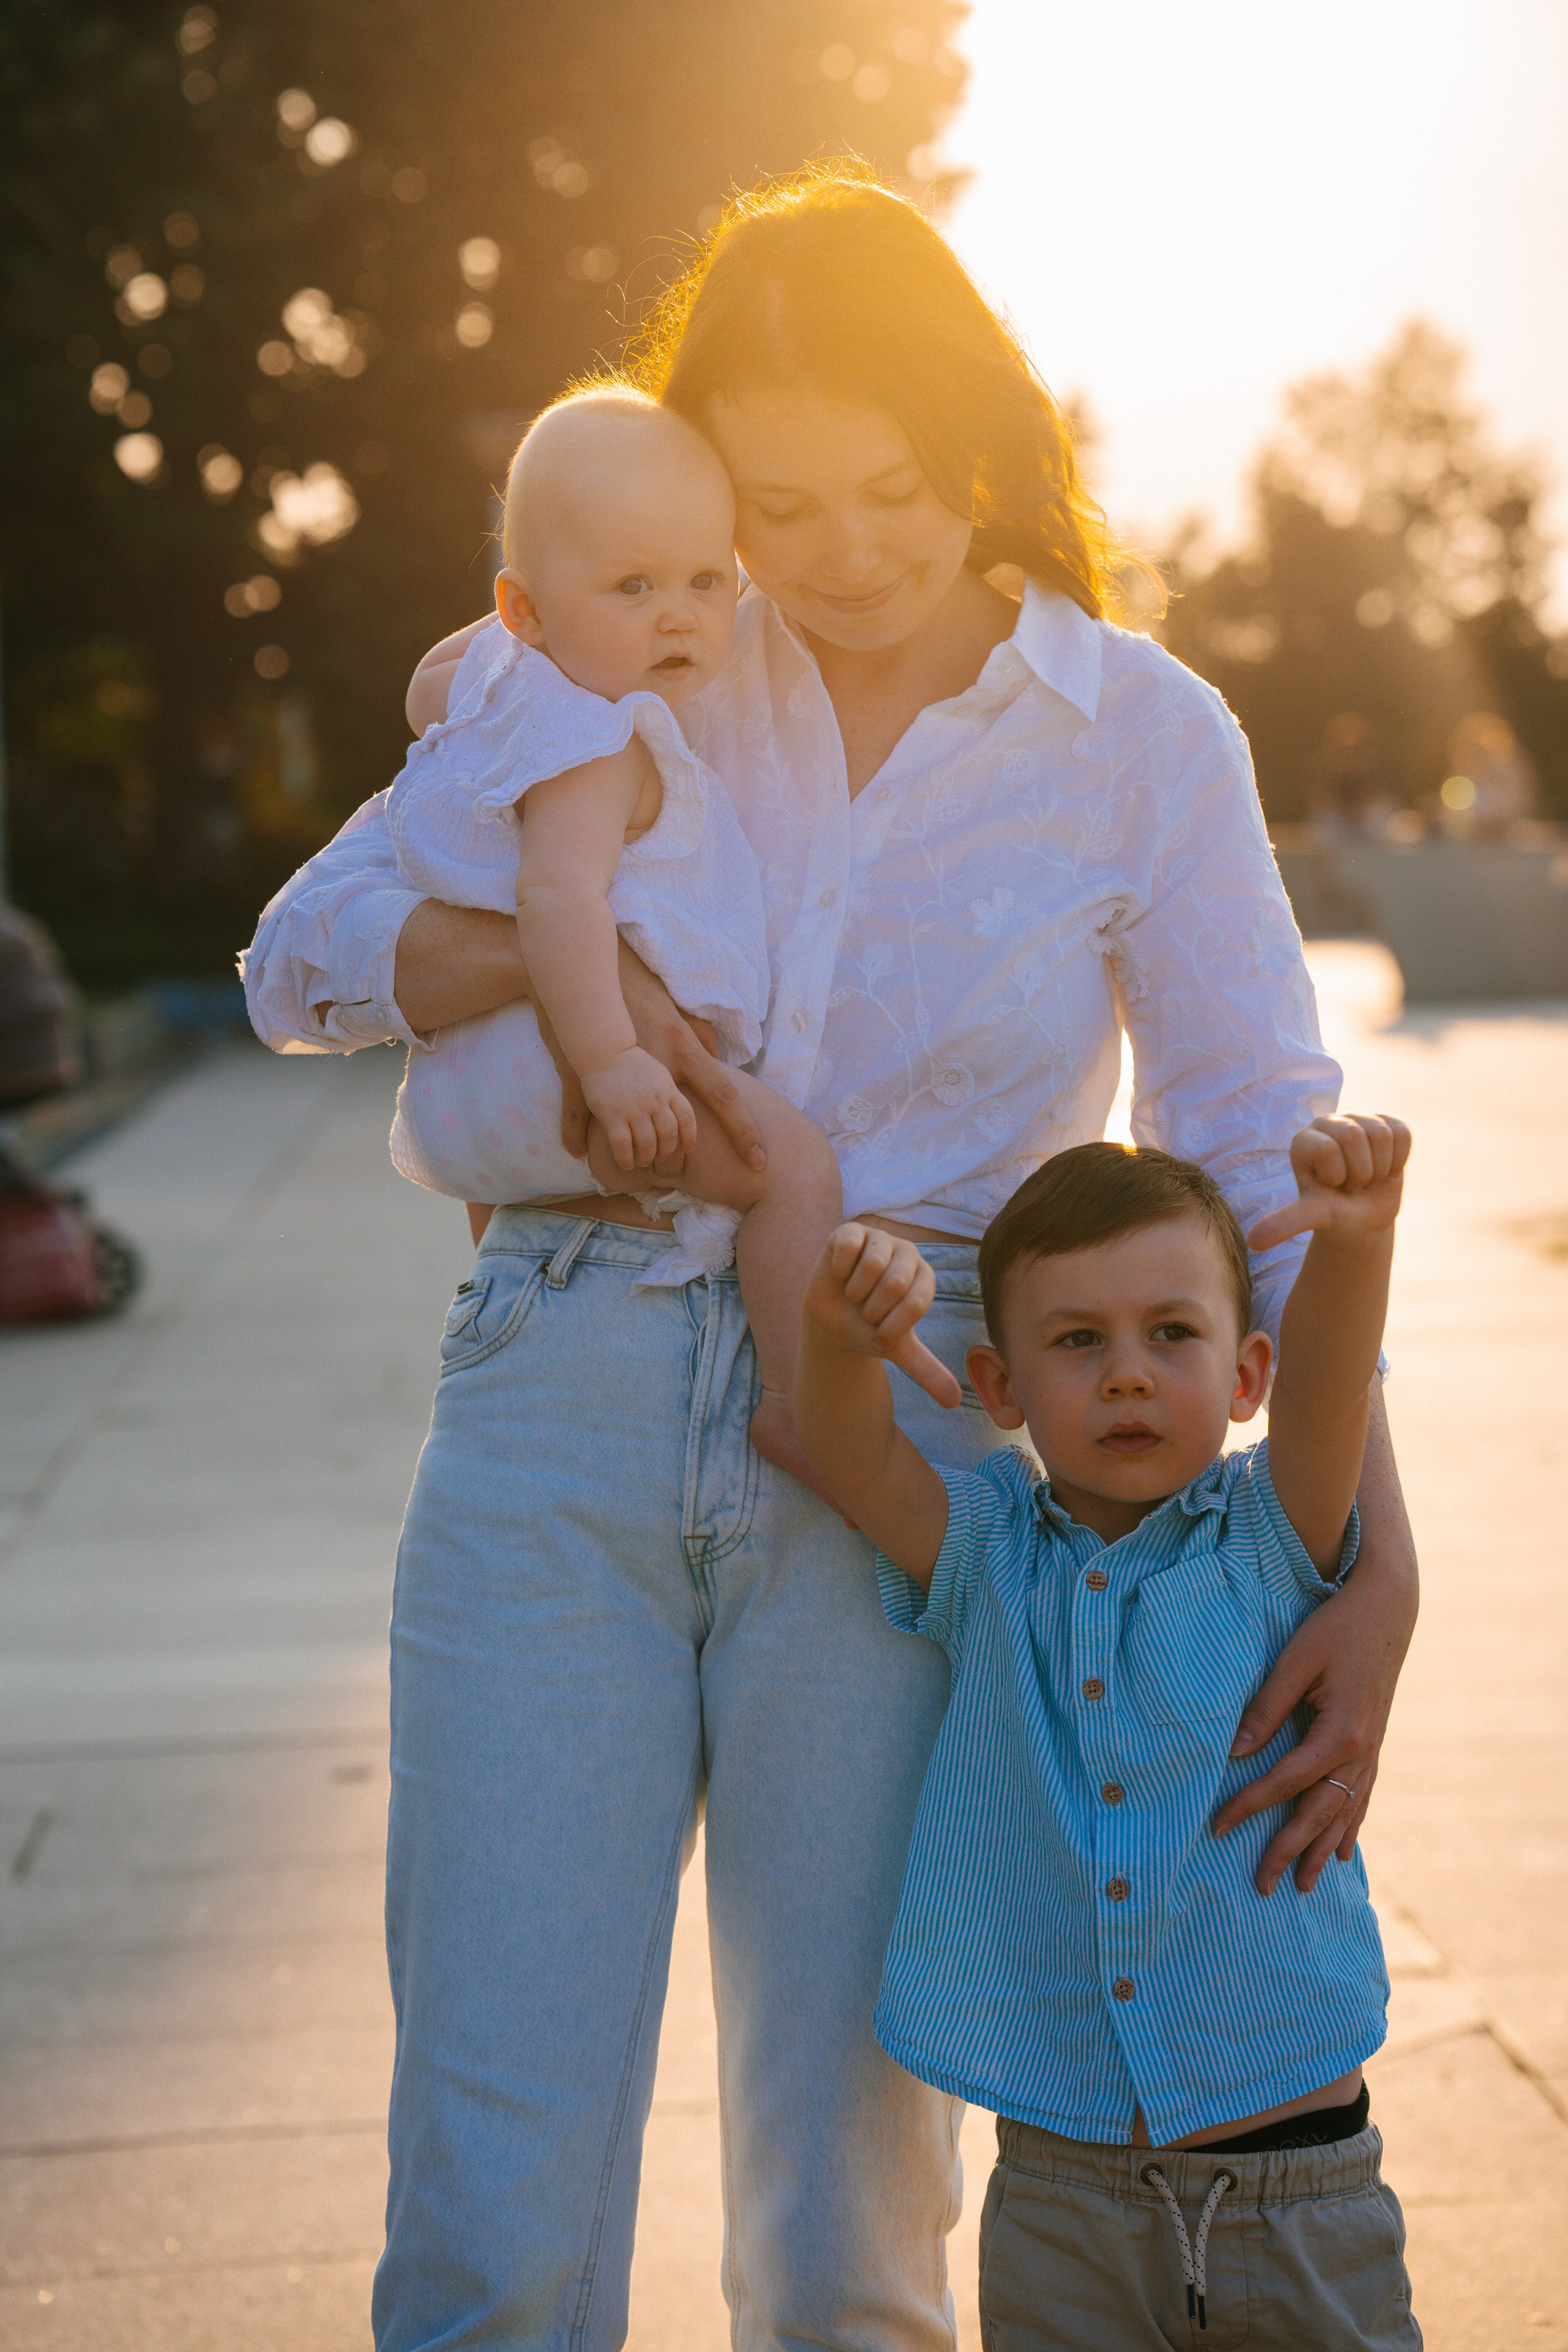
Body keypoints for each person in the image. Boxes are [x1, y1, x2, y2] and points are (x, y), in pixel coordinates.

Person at [240, 162, 1419, 2352]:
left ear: (984, 441)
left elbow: (1262, 1146)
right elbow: (300, 959)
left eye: (892, 490)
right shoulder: (630, 651)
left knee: (852, 2218)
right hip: (560, 1393)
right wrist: (559, 959)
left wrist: (1373, 1566)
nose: (841, 557)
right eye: (779, 505)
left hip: (905, 1464)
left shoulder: (1136, 728)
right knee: (490, 2181)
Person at [794, 1121, 1419, 2350]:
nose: (1125, 1374)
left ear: (1243, 1375)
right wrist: (830, 1333)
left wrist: (1358, 1242)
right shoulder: (983, 1553)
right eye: (1078, 1341)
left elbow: (1331, 1381)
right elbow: (849, 1453)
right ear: (1000, 1389)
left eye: (1167, 1335)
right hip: (1058, 2195)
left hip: (1294, 2181)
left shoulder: (1269, 1537)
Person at [384, 388, 842, 1488]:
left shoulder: (508, 702)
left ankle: (503, 1291)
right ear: (528, 612)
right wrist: (615, 1059)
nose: (678, 617)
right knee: (796, 1175)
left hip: (483, 1100)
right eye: (633, 587)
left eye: (703, 581)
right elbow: (558, 902)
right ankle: (798, 1405)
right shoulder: (593, 741)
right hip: (581, 1067)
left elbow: (427, 684)